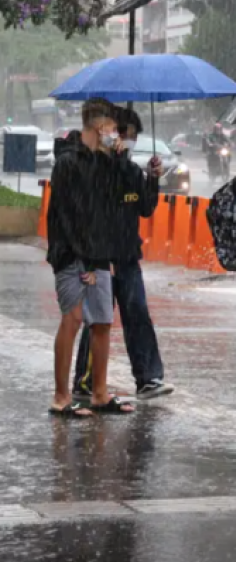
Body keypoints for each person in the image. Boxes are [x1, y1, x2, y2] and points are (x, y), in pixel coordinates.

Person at [73, 108, 174, 401]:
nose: (127, 141)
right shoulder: (92, 166)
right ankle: (85, 381)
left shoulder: (130, 170)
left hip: (128, 255)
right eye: (124, 135)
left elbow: (145, 208)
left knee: (137, 313)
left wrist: (152, 179)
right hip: (99, 258)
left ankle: (148, 378)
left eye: (132, 137)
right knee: (99, 320)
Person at [46, 97, 134, 418]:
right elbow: (66, 216)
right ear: (99, 126)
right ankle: (61, 397)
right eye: (111, 127)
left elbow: (120, 200)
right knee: (72, 320)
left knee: (102, 322)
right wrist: (82, 259)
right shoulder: (67, 163)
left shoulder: (104, 161)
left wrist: (121, 160)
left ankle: (99, 393)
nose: (115, 133)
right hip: (71, 253)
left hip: (98, 254)